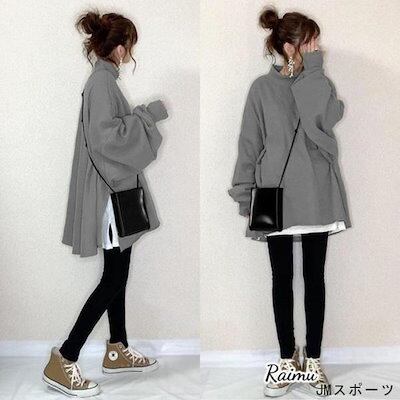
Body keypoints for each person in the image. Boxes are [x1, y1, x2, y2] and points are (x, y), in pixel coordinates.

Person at [42, 10, 168, 397]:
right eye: (129, 44)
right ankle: (65, 358)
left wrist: (139, 117)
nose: (130, 52)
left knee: (119, 272)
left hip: (114, 191)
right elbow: (106, 140)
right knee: (113, 278)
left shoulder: (104, 80)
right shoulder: (101, 83)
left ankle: (117, 349)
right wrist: (147, 115)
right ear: (119, 47)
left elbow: (105, 136)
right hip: (110, 194)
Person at [228, 6, 351, 397]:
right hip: (274, 194)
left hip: (316, 190)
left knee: (314, 278)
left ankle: (312, 358)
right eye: (309, 41)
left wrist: (313, 70)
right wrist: (244, 192)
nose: (316, 47)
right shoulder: (261, 89)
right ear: (288, 46)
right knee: (281, 279)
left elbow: (325, 119)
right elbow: (249, 143)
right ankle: (286, 358)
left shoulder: (318, 81)